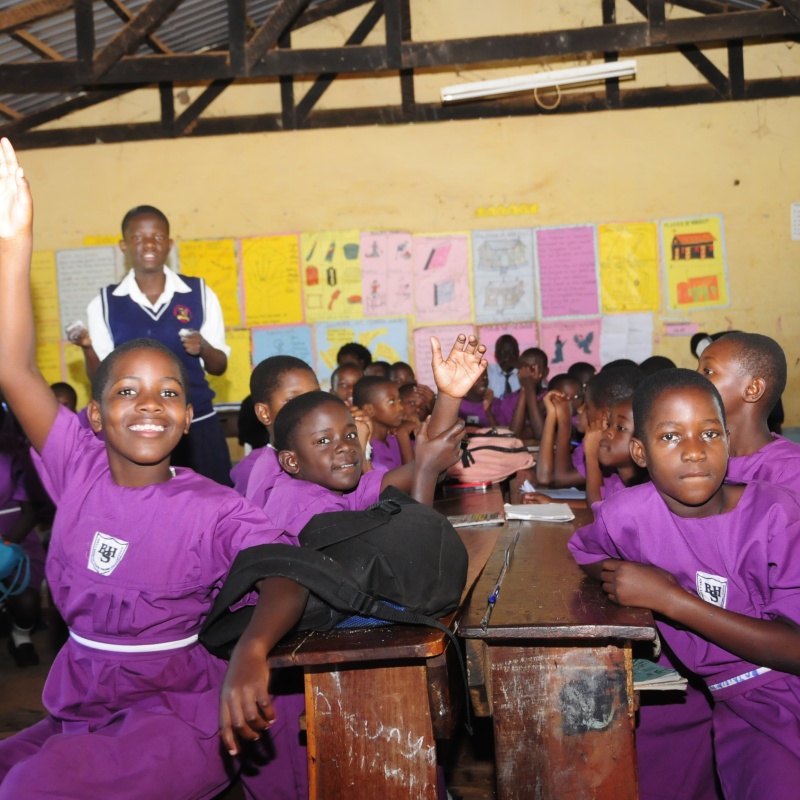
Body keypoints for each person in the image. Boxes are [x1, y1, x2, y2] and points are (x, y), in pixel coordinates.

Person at [0, 138, 308, 798]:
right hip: (81, 704)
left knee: (32, 788)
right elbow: (14, 368)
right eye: (126, 391)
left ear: (187, 408)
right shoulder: (75, 468)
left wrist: (252, 649)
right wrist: (14, 244)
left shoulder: (211, 504)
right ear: (95, 413)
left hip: (176, 710)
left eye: (169, 391)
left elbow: (285, 575)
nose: (149, 405)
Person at [568, 369, 800, 799]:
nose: (694, 452)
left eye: (709, 434)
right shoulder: (628, 513)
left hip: (784, 692)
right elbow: (585, 551)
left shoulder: (774, 513)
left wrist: (670, 599)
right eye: (671, 437)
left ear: (728, 441)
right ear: (640, 451)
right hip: (732, 702)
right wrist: (622, 578)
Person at [260, 333, 486, 536]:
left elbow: (423, 465)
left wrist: (449, 395)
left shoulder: (338, 486)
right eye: (323, 440)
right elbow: (414, 556)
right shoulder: (310, 511)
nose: (345, 447)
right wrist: (427, 470)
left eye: (350, 436)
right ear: (291, 461)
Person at [86, 204, 233, 486]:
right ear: (124, 245)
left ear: (170, 243)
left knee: (213, 501)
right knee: (146, 507)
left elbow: (219, 366)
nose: (149, 244)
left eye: (158, 236)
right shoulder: (105, 303)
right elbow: (100, 379)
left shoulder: (199, 293)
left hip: (197, 421)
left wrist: (203, 347)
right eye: (138, 238)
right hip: (139, 428)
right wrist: (85, 347)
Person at [697, 331, 800, 494]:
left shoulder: (792, 470)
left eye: (707, 371)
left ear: (752, 389)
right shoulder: (694, 456)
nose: (695, 379)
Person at [231, 355, 320, 506]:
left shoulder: (332, 452)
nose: (310, 407)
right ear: (264, 413)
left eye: (316, 396)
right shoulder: (253, 473)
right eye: (293, 400)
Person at [353, 375, 417, 470]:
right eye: (391, 402)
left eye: (399, 400)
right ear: (369, 410)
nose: (400, 407)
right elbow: (413, 480)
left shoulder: (393, 439)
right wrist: (403, 435)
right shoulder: (369, 451)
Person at [486, 334, 521, 398]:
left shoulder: (525, 373)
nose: (507, 356)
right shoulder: (487, 372)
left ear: (518, 353)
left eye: (511, 352)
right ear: (496, 354)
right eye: (502, 352)